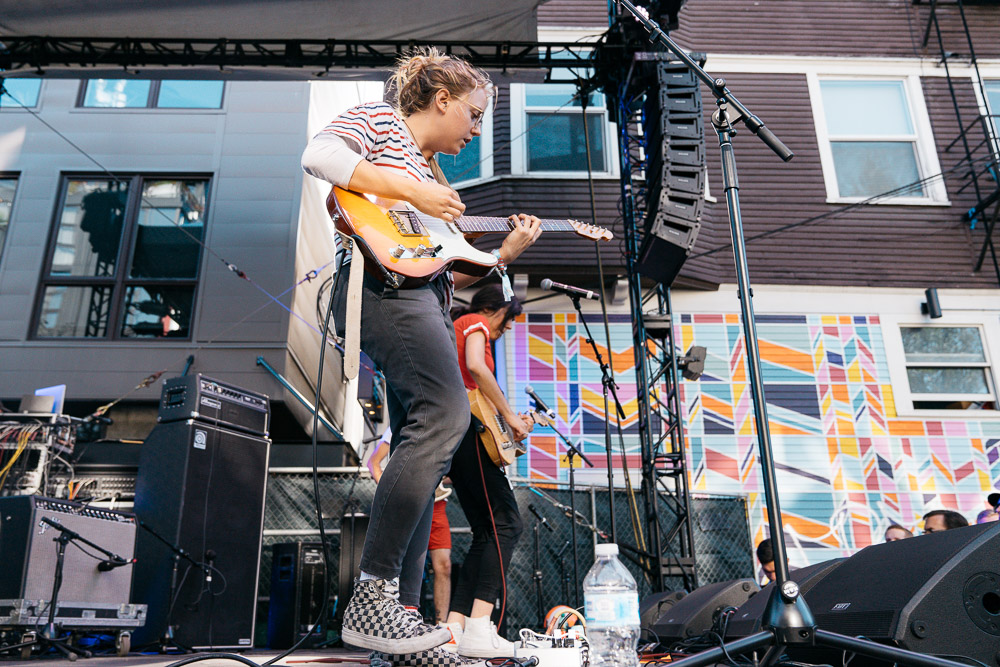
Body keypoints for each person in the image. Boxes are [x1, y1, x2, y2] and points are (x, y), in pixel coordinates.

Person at [301, 49, 542, 664]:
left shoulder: (433, 175)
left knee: (426, 451)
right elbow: (320, 156)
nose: (476, 128)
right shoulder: (381, 124)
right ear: (441, 98)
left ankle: (401, 628)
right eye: (473, 113)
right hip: (385, 297)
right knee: (444, 416)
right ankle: (375, 595)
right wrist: (411, 187)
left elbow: (438, 270)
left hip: (420, 300)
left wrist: (503, 255)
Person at [441, 284, 530, 658]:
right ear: (497, 310)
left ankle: (455, 629)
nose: (505, 330)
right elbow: (476, 366)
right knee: (508, 523)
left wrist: (507, 427)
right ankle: (480, 626)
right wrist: (510, 415)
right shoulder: (474, 322)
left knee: (484, 532)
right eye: (507, 322)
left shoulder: (452, 325)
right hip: (470, 433)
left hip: (457, 435)